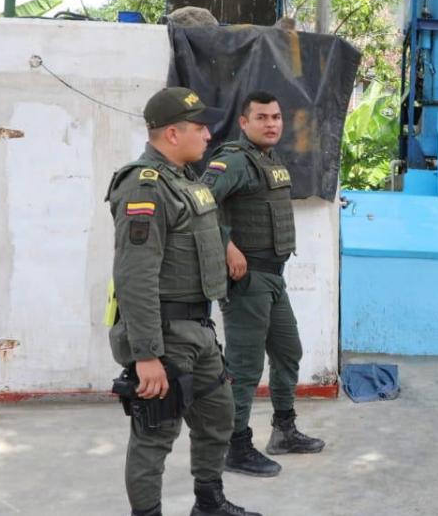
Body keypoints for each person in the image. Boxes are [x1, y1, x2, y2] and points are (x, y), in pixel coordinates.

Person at [106, 86, 260, 516]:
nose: (208, 135)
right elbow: (134, 276)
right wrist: (147, 355)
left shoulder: (186, 181)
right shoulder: (144, 185)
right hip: (165, 333)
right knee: (155, 434)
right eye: (199, 127)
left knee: (217, 418)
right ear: (172, 134)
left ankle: (208, 504)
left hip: (198, 328)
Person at [201, 90, 325, 479]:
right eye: (262, 118)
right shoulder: (233, 161)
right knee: (245, 365)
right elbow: (199, 202)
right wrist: (226, 246)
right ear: (244, 122)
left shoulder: (267, 160)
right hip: (247, 280)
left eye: (276, 117)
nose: (271, 124)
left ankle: (284, 431)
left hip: (273, 277)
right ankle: (235, 447)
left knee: (289, 352)